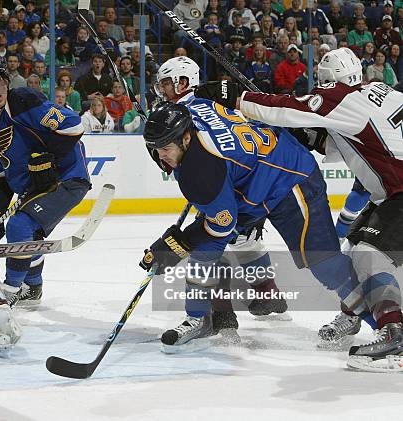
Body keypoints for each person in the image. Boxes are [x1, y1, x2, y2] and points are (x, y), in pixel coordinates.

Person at [140, 93, 364, 355]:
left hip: (289, 176)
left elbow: (221, 225)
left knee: (324, 263)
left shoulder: (201, 171)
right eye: (156, 148)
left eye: (166, 148)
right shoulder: (191, 107)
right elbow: (217, 98)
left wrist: (175, 245)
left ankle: (380, 317)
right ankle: (198, 318)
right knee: (205, 250)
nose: (160, 155)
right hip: (250, 184)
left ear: (186, 138)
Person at [236, 47, 403, 372]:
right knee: (354, 248)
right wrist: (310, 134)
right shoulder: (378, 92)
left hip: (399, 192)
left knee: (371, 256)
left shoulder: (342, 97)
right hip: (390, 193)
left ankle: (395, 335)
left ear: (330, 80)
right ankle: (353, 315)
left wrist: (241, 98)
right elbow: (354, 143)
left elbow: (285, 108)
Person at [150, 57, 290, 343]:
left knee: (208, 244)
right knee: (241, 238)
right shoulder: (212, 101)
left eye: (166, 83)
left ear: (183, 82)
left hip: (223, 184)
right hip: (255, 179)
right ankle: (268, 293)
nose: (161, 89)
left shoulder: (184, 110)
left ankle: (217, 316)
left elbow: (182, 160)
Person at [0, 60, 90, 309]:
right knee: (28, 235)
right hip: (36, 188)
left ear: (6, 81)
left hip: (67, 178)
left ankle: (7, 293)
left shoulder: (24, 100)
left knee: (19, 225)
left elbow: (74, 125)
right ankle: (32, 286)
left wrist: (49, 159)